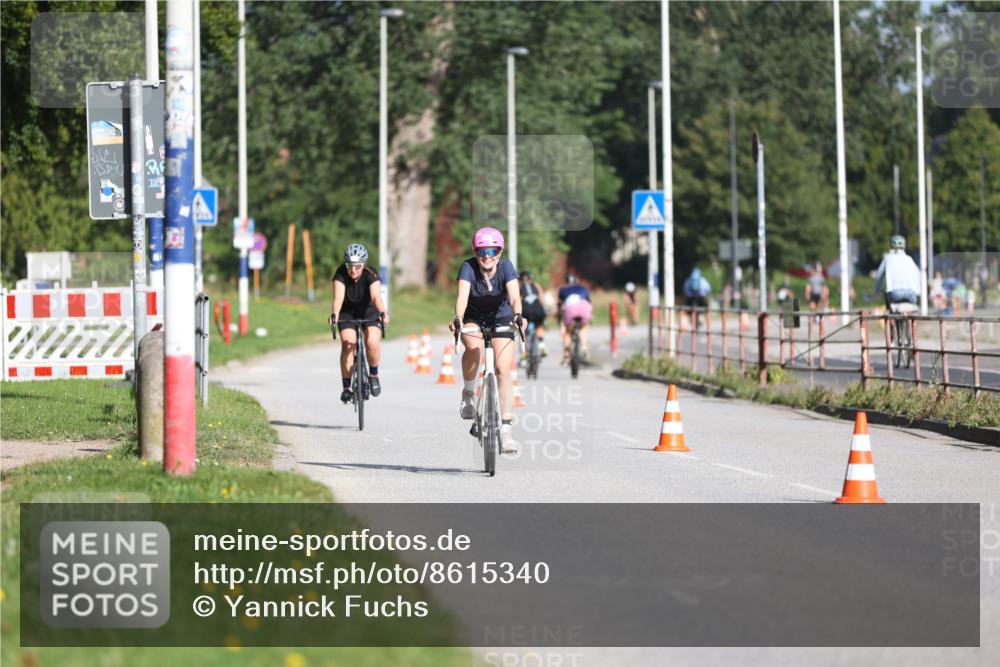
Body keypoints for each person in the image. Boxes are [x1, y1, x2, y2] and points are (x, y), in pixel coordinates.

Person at [449, 227, 523, 454]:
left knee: (503, 371)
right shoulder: (468, 267)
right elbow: (462, 297)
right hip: (474, 317)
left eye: (491, 251)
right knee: (473, 346)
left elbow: (514, 297)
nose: (486, 256)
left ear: (499, 252)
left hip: (502, 316)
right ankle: (469, 393)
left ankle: (506, 432)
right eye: (482, 251)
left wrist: (519, 315)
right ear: (476, 252)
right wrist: (459, 319)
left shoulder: (506, 267)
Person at [328, 243, 388, 403]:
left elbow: (376, 297)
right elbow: (338, 299)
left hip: (369, 310)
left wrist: (382, 312)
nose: (353, 270)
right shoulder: (341, 273)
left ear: (364, 265)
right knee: (349, 344)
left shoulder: (371, 273)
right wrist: (334, 314)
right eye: (349, 266)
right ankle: (347, 387)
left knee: (372, 343)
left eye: (357, 266)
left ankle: (373, 375)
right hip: (347, 313)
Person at [874, 235, 921, 311]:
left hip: (895, 294)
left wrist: (877, 292)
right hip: (911, 294)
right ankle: (912, 320)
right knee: (912, 310)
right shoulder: (910, 259)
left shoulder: (887, 258)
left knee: (888, 296)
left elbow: (879, 276)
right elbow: (919, 276)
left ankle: (892, 315)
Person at [557, 273, 593, 365]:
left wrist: (560, 318)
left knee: (567, 332)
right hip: (583, 307)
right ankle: (584, 347)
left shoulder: (563, 289)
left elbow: (560, 305)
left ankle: (566, 355)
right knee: (583, 327)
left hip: (570, 309)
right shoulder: (583, 288)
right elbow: (589, 303)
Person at [519, 271, 547, 357]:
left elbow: (517, 301)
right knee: (539, 325)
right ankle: (541, 343)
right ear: (531, 278)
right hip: (537, 308)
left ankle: (523, 355)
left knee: (522, 330)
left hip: (526, 309)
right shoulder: (537, 286)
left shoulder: (519, 287)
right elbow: (542, 300)